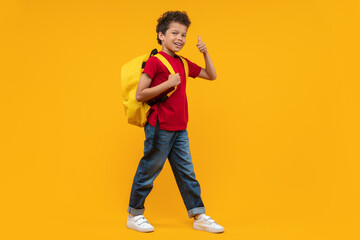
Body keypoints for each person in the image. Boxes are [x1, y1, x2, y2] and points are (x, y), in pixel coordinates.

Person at [126, 10, 224, 233]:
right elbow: (140, 94)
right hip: (160, 127)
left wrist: (205, 53)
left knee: (186, 172)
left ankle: (198, 216)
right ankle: (134, 214)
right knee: (149, 170)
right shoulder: (155, 62)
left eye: (183, 35)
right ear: (161, 35)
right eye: (174, 33)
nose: (180, 38)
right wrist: (168, 84)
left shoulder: (183, 62)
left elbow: (211, 75)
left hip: (180, 128)